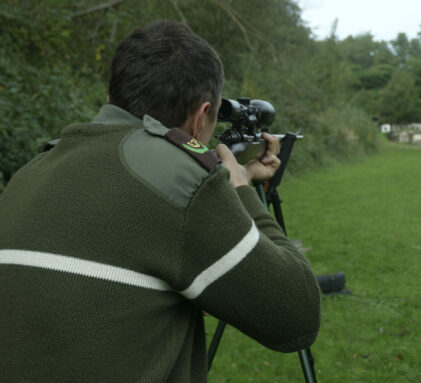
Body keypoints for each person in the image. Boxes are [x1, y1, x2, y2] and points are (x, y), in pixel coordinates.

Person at [0, 20, 321, 382]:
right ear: (201, 117)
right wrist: (241, 189)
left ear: (111, 98)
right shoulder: (185, 181)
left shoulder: (29, 173)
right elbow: (296, 317)